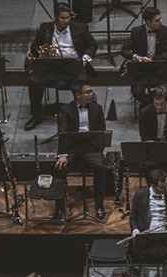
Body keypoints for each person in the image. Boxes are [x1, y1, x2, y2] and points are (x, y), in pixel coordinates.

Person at [25, 3, 97, 131]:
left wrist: (85, 59)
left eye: (68, 17)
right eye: (63, 18)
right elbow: (34, 47)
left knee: (81, 84)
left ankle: (85, 116)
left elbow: (92, 45)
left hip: (73, 66)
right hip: (51, 67)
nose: (66, 20)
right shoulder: (45, 28)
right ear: (55, 17)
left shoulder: (80, 28)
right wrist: (41, 56)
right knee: (34, 81)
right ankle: (36, 115)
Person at [54, 80, 107, 221]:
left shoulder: (97, 108)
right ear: (78, 95)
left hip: (90, 147)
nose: (91, 94)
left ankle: (99, 205)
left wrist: (98, 146)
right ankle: (59, 206)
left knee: (100, 167)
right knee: (59, 167)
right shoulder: (66, 110)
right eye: (87, 92)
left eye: (91, 91)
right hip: (71, 148)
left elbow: (102, 130)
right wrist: (63, 155)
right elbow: (62, 134)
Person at [121, 6, 167, 109]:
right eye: (157, 20)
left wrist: (153, 60)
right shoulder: (136, 32)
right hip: (141, 70)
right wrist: (136, 56)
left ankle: (152, 104)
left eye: (160, 18)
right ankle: (152, 105)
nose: (161, 22)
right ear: (148, 22)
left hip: (160, 69)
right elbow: (124, 50)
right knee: (137, 92)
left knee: (165, 91)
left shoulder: (166, 31)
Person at [138, 86, 167, 175]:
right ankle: (153, 186)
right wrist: (152, 145)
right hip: (154, 145)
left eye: (162, 104)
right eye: (156, 104)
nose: (159, 107)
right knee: (148, 164)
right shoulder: (145, 112)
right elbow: (144, 135)